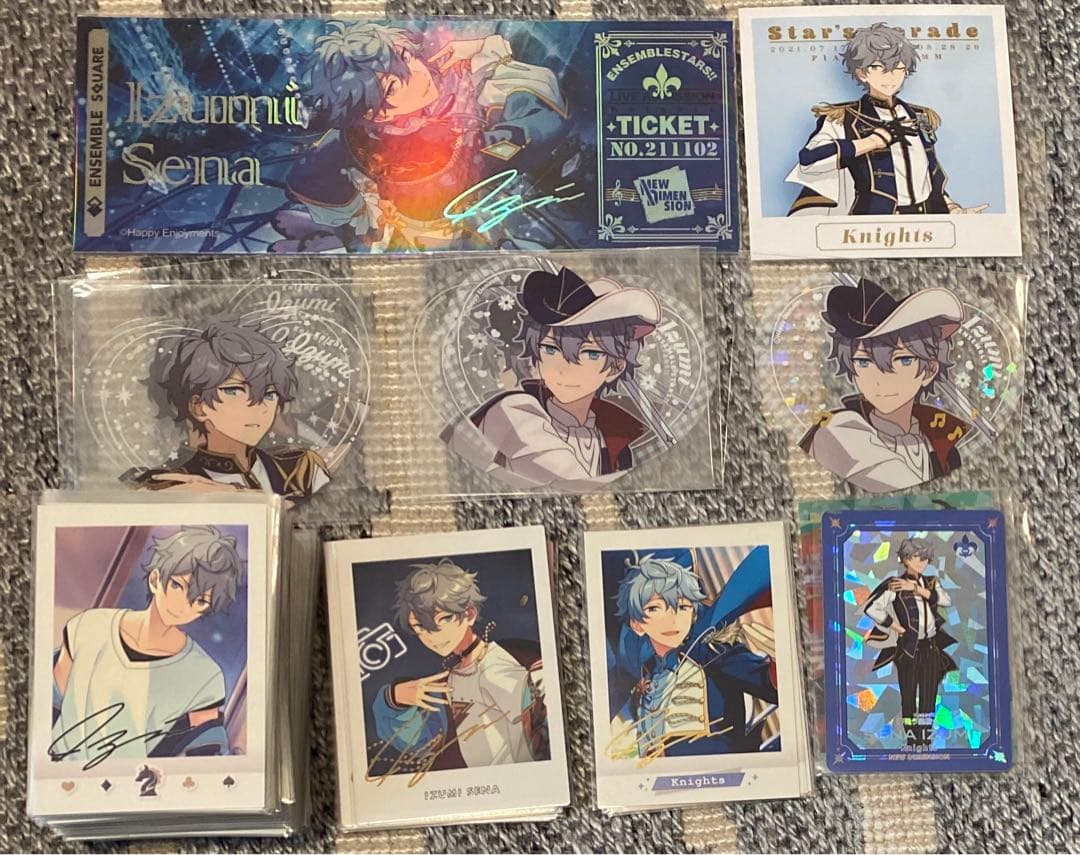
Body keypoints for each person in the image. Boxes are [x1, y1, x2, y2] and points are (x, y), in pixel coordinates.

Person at [271, 21, 575, 252]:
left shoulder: (360, 129)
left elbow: (310, 174)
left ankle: (348, 231)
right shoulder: (428, 145)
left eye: (406, 56)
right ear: (376, 114)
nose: (417, 75)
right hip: (439, 234)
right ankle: (349, 234)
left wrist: (482, 50)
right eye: (393, 87)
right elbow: (540, 128)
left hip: (432, 216)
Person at [442, 265, 671, 491]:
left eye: (590, 354)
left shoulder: (614, 445)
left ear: (616, 367)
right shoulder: (514, 411)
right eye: (551, 349)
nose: (564, 368)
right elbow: (570, 482)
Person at [51, 526, 243, 763]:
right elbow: (51, 702)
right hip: (59, 770)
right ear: (155, 579)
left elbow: (204, 750)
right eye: (177, 586)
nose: (183, 605)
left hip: (131, 782)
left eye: (200, 600)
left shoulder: (205, 675)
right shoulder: (89, 626)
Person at [800, 274, 994, 493]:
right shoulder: (839, 429)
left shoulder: (942, 445)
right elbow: (890, 481)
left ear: (930, 370)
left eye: (902, 360)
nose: (880, 380)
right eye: (864, 362)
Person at [786, 22, 988, 216]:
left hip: (926, 219)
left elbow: (929, 173)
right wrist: (872, 141)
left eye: (898, 68)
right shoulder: (843, 118)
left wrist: (952, 208)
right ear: (862, 73)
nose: (890, 76)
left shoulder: (919, 116)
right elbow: (808, 160)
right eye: (880, 67)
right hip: (873, 224)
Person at [369, 560, 548, 773]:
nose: (431, 637)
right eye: (419, 628)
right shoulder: (446, 684)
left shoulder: (509, 659)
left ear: (469, 614)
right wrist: (394, 699)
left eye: (442, 620)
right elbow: (422, 743)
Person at [123, 319, 330, 500]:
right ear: (198, 406)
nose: (258, 406)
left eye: (269, 394)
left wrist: (238, 496)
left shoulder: (301, 470)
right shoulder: (169, 483)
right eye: (234, 390)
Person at [607, 548, 778, 760]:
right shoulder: (645, 667)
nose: (672, 620)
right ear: (637, 624)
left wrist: (778, 662)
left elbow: (771, 687)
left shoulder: (712, 652)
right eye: (655, 608)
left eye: (682, 607)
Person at [862, 538, 958, 750]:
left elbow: (945, 600)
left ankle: (925, 740)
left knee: (929, 696)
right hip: (908, 649)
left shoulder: (931, 582)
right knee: (908, 697)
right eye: (917, 557)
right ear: (905, 559)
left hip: (931, 648)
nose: (922, 562)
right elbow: (872, 609)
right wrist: (896, 627)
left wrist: (915, 588)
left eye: (925, 558)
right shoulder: (895, 584)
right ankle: (912, 741)